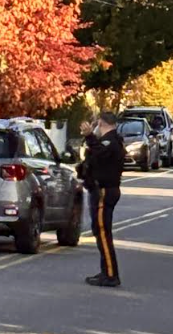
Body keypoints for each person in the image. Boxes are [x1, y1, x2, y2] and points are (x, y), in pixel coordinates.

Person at [79, 112, 125, 288]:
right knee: (100, 233)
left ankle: (111, 275)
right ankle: (106, 270)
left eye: (97, 125)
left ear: (101, 123)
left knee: (103, 234)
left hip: (105, 192)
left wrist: (90, 136)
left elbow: (100, 154)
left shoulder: (110, 142)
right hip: (100, 191)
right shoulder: (110, 141)